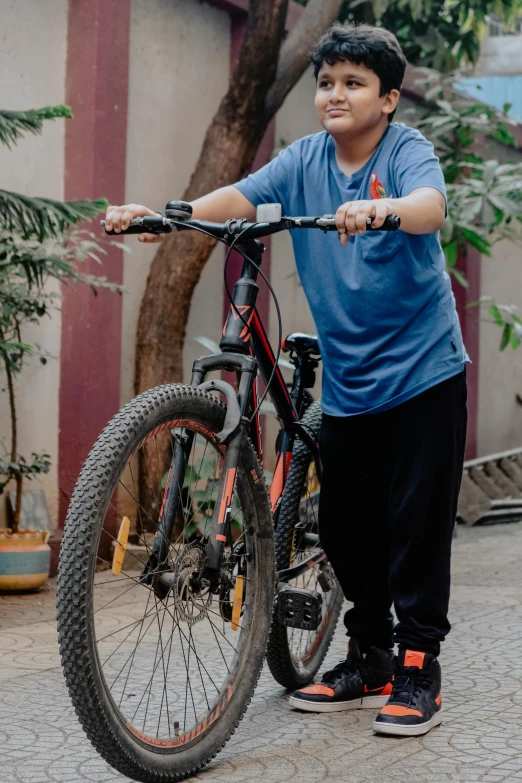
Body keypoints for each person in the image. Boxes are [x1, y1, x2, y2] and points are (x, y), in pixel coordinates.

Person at [105, 23, 469, 738]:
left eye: (354, 83)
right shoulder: (303, 159)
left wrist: (381, 209)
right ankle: (367, 657)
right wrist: (165, 219)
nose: (335, 94)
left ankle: (418, 666)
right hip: (357, 382)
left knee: (413, 524)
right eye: (326, 82)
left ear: (390, 98)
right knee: (343, 524)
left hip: (424, 373)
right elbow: (238, 197)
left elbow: (431, 207)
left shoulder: (404, 152)